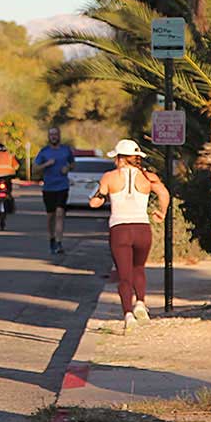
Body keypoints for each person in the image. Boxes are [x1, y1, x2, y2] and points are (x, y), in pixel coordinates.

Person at [90, 139, 170, 333]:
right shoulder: (148, 177)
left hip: (120, 229)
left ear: (119, 158)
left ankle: (127, 314)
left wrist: (99, 194)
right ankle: (141, 303)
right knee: (139, 269)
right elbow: (164, 193)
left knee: (124, 276)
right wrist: (162, 212)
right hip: (142, 228)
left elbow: (95, 203)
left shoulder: (109, 177)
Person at [33, 127, 74, 254]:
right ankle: (51, 238)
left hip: (62, 186)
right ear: (48, 137)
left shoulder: (66, 150)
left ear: (59, 135)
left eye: (56, 134)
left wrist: (67, 168)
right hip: (49, 187)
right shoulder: (44, 152)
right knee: (51, 216)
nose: (54, 136)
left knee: (60, 213)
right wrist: (47, 164)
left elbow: (72, 163)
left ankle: (59, 242)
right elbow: (35, 169)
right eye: (51, 134)